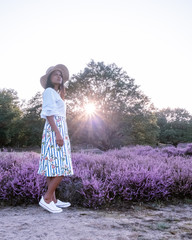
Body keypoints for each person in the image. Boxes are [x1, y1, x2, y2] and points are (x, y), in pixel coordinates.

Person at [38, 64, 74, 213]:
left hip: (59, 129)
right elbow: (48, 114)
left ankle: (53, 200)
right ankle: (46, 199)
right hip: (54, 130)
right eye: (55, 74)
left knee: (52, 167)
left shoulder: (55, 93)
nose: (59, 76)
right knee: (62, 165)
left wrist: (62, 92)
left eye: (61, 75)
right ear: (49, 79)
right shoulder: (48, 92)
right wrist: (58, 133)